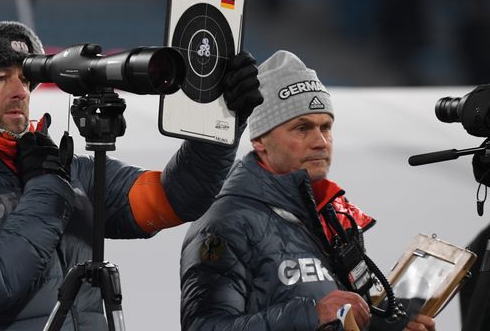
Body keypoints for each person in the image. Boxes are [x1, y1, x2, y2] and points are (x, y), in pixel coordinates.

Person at [0, 19, 264, 330]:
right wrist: (48, 189)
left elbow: (175, 197)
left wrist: (221, 119)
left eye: (25, 78)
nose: (19, 91)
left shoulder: (48, 162)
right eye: (1, 78)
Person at [179, 50, 436, 331]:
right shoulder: (225, 223)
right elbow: (204, 327)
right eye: (302, 128)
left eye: (326, 127)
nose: (320, 142)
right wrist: (311, 315)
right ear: (260, 140)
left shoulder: (336, 216)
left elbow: (343, 320)